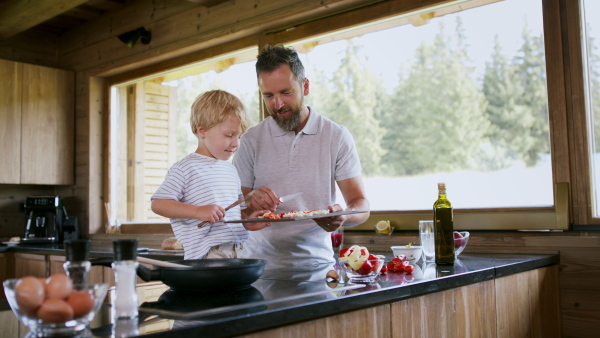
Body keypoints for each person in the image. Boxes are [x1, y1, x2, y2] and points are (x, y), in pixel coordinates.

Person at [233, 44, 370, 270]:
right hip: (257, 268)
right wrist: (250, 202)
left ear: (305, 86)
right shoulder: (250, 140)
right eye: (268, 95)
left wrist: (343, 216)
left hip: (318, 267)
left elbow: (361, 205)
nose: (277, 104)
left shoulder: (336, 136)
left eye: (286, 93)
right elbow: (238, 211)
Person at [151, 90, 270, 260]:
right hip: (206, 255)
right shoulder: (185, 168)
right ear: (202, 130)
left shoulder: (230, 171)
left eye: (239, 136)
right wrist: (198, 211)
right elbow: (158, 203)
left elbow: (237, 213)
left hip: (240, 250)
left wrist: (248, 222)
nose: (236, 143)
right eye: (229, 135)